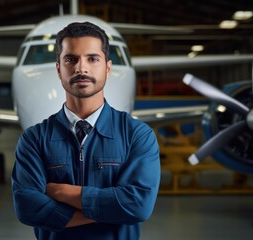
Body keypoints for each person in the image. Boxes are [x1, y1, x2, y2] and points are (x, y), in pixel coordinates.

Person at [12, 21, 160, 240]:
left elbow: (139, 206)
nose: (81, 68)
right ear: (58, 68)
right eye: (71, 59)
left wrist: (61, 193)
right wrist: (112, 209)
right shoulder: (34, 139)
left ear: (108, 68)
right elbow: (27, 208)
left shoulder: (138, 135)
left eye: (92, 59)